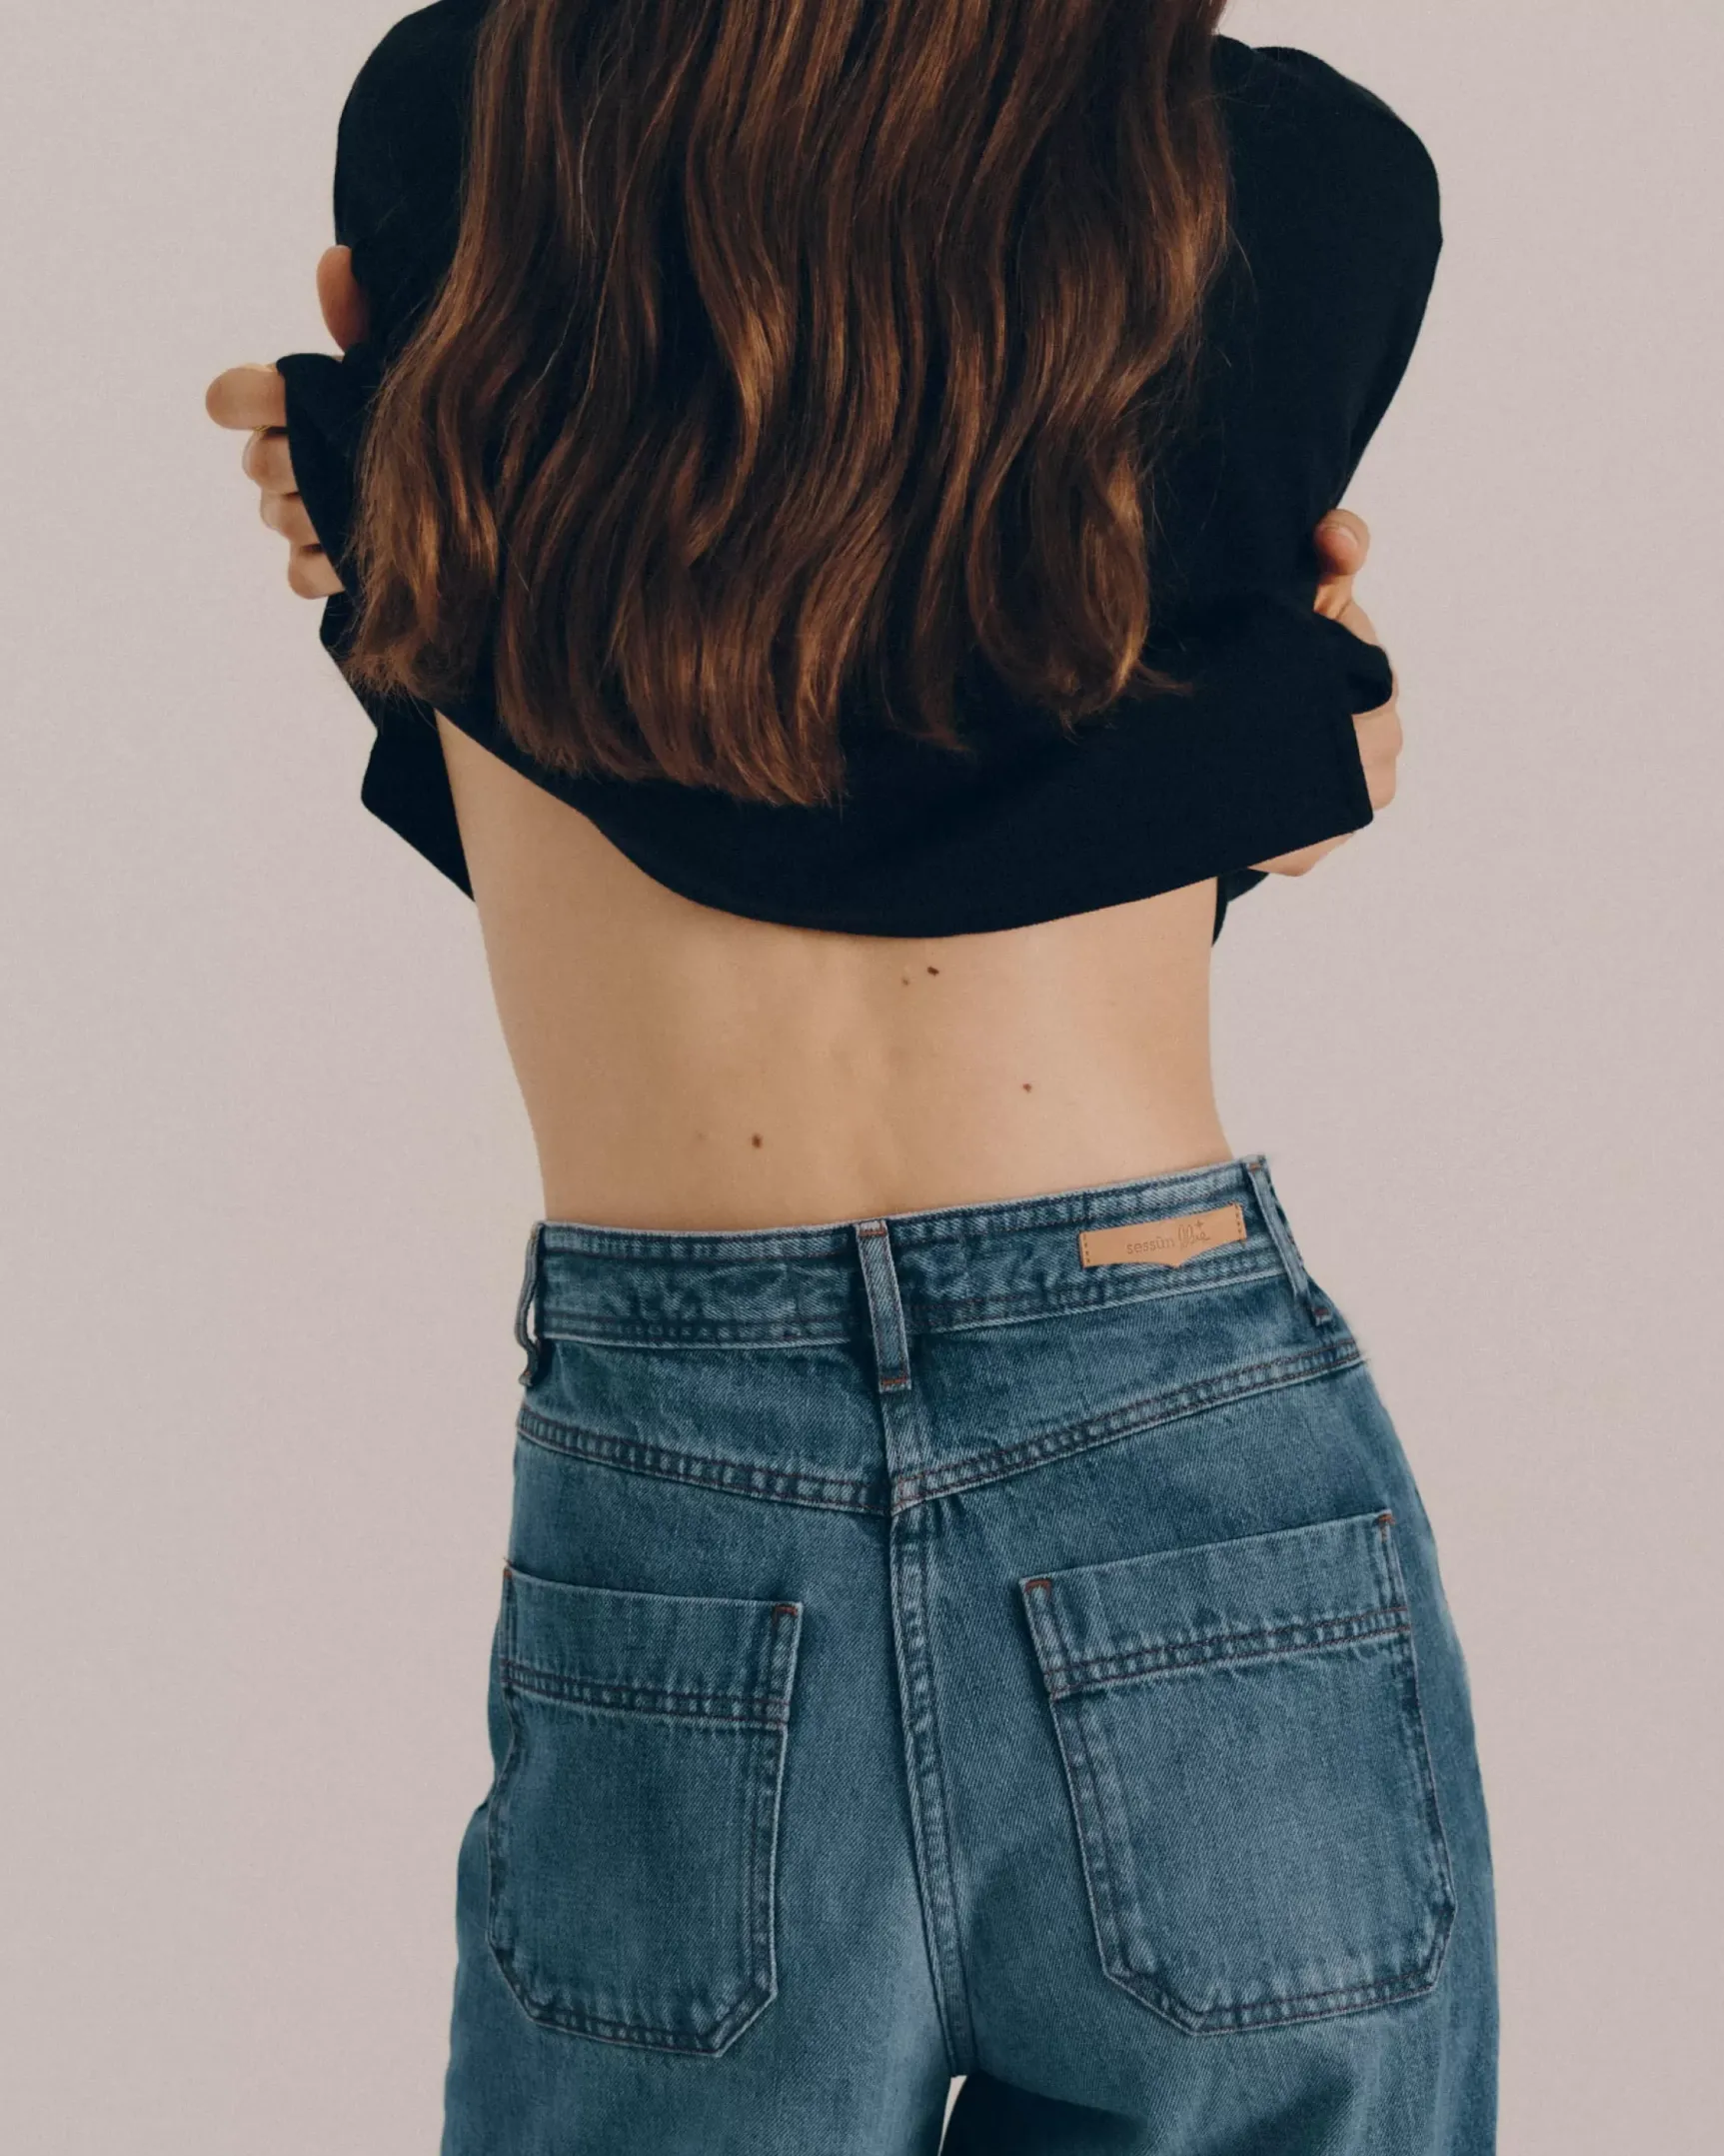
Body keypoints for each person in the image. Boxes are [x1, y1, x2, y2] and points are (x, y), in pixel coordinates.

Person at [206, 5, 1497, 2150]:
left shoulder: (477, 98)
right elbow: (945, 824)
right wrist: (1262, 743)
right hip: (1176, 1417)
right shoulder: (1287, 173)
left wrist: (403, 566)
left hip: (685, 1461)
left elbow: (745, 816)